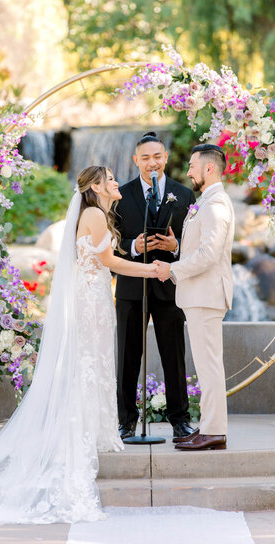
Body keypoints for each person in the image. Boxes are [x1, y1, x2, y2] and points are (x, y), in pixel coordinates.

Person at [0, 166, 157, 528]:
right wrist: (151, 270)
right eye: (111, 179)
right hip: (92, 299)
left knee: (95, 362)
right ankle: (85, 430)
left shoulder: (97, 212)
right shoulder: (92, 213)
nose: (117, 183)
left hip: (94, 296)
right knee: (91, 362)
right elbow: (108, 261)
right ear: (96, 186)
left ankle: (98, 428)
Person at [115, 132, 197, 441]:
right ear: (136, 160)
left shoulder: (184, 195)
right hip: (131, 287)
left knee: (174, 356)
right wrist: (132, 245)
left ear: (165, 158)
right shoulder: (120, 195)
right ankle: (126, 422)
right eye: (145, 157)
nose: (152, 162)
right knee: (127, 357)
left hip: (170, 286)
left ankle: (181, 420)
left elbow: (196, 244)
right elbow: (109, 241)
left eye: (157, 156)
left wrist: (177, 246)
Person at [154, 143, 235, 451]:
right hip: (200, 295)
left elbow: (209, 254)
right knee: (205, 365)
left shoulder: (215, 204)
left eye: (192, 166)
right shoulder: (208, 201)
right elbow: (198, 249)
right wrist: (177, 248)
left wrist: (172, 269)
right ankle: (209, 426)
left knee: (210, 366)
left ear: (209, 168)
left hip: (206, 296)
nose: (187, 171)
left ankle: (214, 431)